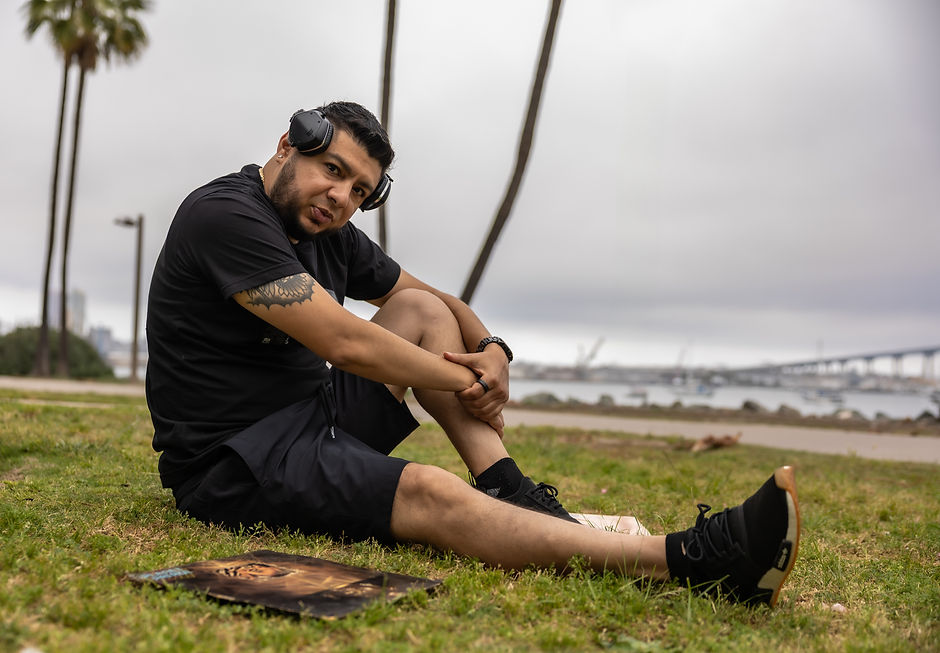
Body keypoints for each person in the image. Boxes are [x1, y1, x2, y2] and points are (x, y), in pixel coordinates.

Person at [145, 101, 801, 607]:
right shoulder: (226, 217)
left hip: (312, 417)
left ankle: (508, 486)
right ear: (289, 145)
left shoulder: (328, 230)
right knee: (431, 489)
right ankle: (690, 560)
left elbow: (427, 299)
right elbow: (342, 340)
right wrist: (461, 376)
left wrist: (491, 347)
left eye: (358, 190)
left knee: (425, 314)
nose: (341, 196)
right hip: (235, 463)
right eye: (333, 170)